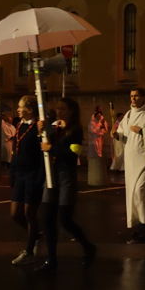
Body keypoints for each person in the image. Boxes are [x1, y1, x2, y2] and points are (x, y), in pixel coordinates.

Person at [36, 97, 97, 272]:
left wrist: (51, 149)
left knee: (65, 219)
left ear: (71, 111)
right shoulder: (55, 126)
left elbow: (72, 155)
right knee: (47, 218)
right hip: (51, 176)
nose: (59, 112)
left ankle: (88, 246)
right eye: (58, 109)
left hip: (66, 178)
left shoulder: (76, 131)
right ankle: (51, 259)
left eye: (63, 109)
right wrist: (41, 131)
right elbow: (43, 141)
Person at [114, 88, 145, 244]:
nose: (133, 99)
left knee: (140, 190)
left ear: (143, 97)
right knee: (134, 193)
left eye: (136, 96)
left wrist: (142, 131)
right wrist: (117, 135)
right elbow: (124, 135)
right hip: (132, 160)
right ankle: (140, 226)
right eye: (131, 96)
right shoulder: (128, 115)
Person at [9, 95, 44, 266]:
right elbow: (16, 150)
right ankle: (35, 234)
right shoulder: (19, 125)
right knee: (15, 214)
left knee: (30, 213)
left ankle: (29, 251)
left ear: (29, 109)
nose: (18, 109)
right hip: (20, 175)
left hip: (32, 175)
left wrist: (39, 178)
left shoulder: (38, 127)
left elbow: (41, 154)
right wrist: (12, 172)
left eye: (20, 106)